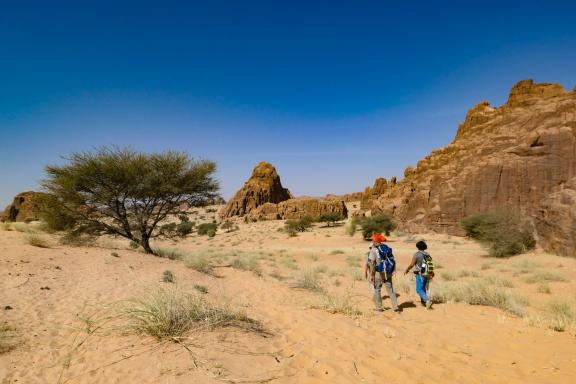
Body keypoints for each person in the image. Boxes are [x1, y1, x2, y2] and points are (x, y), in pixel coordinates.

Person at [367, 233, 400, 312]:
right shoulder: (386, 247)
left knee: (377, 289)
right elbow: (392, 259)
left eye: (373, 240)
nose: (372, 241)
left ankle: (379, 308)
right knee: (391, 291)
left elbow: (371, 263)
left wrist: (372, 275)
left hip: (379, 272)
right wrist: (392, 271)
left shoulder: (373, 250)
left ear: (375, 241)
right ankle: (396, 308)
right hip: (388, 272)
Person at [404, 240, 433, 309]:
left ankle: (427, 300)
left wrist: (407, 269)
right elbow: (430, 264)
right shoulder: (427, 254)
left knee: (418, 289)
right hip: (427, 274)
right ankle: (424, 302)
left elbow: (412, 264)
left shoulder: (417, 254)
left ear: (417, 247)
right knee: (423, 288)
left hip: (420, 274)